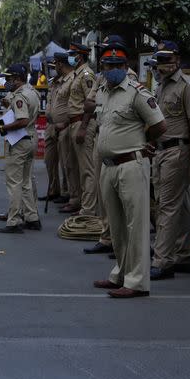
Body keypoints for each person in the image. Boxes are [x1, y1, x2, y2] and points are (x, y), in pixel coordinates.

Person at [92, 43, 166, 298]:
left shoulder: (138, 93)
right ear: (102, 68)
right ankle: (121, 274)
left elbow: (159, 125)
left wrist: (146, 143)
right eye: (108, 66)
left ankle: (136, 282)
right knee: (116, 226)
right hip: (109, 167)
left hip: (131, 164)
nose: (113, 70)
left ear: (126, 68)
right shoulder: (102, 93)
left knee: (136, 225)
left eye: (118, 66)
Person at [150, 41, 190, 281]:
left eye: (169, 59)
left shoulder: (187, 87)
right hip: (160, 151)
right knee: (178, 205)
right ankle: (184, 254)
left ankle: (163, 260)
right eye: (160, 60)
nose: (164, 64)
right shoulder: (160, 87)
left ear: (178, 60)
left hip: (177, 151)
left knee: (167, 207)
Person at [82, 36, 138, 256]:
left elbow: (154, 123)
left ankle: (121, 241)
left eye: (116, 63)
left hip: (124, 147)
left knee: (122, 198)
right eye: (107, 61)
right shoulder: (102, 78)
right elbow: (88, 103)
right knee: (104, 194)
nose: (110, 66)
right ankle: (108, 237)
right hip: (102, 137)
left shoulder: (129, 79)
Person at [0, 64, 41, 233]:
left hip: (19, 141)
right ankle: (32, 217)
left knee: (14, 182)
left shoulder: (20, 96)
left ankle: (13, 220)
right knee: (26, 181)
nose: (7, 82)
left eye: (9, 79)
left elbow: (21, 120)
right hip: (30, 138)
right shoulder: (32, 92)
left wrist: (2, 128)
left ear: (17, 78)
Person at [67, 43, 97, 217]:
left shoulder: (87, 74)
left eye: (73, 54)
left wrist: (84, 127)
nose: (71, 57)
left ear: (80, 56)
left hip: (82, 123)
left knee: (87, 169)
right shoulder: (77, 74)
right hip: (75, 123)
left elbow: (91, 103)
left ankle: (88, 209)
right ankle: (84, 204)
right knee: (80, 168)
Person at [51, 52, 79, 213]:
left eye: (55, 64)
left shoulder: (73, 80)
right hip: (60, 127)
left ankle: (74, 198)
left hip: (68, 126)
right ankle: (71, 195)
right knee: (66, 164)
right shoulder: (61, 81)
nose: (55, 67)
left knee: (71, 165)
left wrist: (65, 123)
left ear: (60, 64)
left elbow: (74, 105)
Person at [41, 58, 67, 203]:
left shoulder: (67, 82)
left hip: (62, 125)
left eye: (54, 66)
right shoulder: (52, 83)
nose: (53, 69)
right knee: (49, 159)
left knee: (65, 161)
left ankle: (66, 191)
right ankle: (53, 189)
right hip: (50, 125)